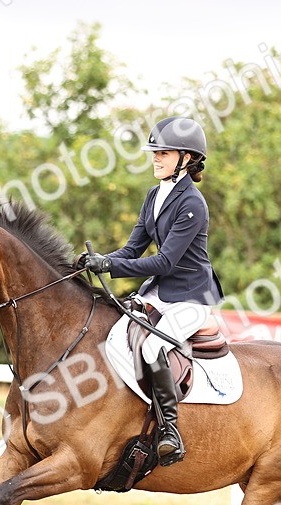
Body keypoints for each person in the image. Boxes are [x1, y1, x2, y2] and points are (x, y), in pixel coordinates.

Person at [81, 116, 224, 466]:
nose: (156, 158)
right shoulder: (154, 195)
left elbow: (164, 262)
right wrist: (96, 261)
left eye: (164, 153)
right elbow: (132, 250)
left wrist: (110, 267)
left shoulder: (193, 203)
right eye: (154, 152)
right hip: (159, 292)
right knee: (113, 331)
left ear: (186, 158)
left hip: (191, 296)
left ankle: (169, 431)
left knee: (154, 345)